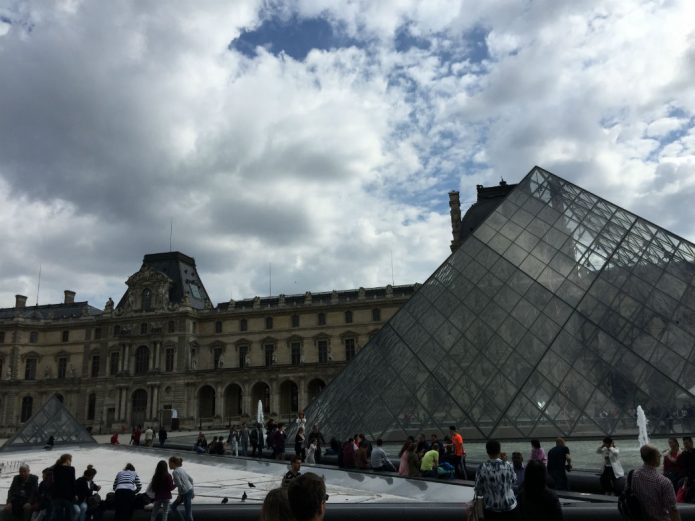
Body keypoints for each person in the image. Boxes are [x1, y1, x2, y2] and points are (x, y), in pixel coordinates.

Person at [632, 444, 681, 521]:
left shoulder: (633, 476)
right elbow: (673, 509)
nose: (660, 456)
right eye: (659, 455)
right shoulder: (663, 482)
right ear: (654, 459)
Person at [474, 440, 518, 520]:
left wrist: (480, 514)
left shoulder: (482, 468)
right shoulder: (508, 465)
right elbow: (514, 480)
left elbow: (478, 492)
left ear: (487, 452)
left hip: (491, 510)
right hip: (510, 508)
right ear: (499, 451)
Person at [51, 454, 76, 521]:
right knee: (69, 515)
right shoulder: (71, 469)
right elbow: (73, 483)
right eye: (70, 460)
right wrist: (74, 494)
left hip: (56, 495)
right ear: (67, 460)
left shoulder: (56, 468)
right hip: (67, 496)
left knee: (58, 516)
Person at [169, 456, 194, 521]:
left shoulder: (175, 472)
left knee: (188, 512)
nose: (168, 465)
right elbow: (191, 479)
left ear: (173, 463)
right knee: (173, 506)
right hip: (189, 490)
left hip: (185, 493)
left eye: (169, 463)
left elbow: (179, 485)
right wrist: (193, 492)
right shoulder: (181, 469)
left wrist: (179, 495)